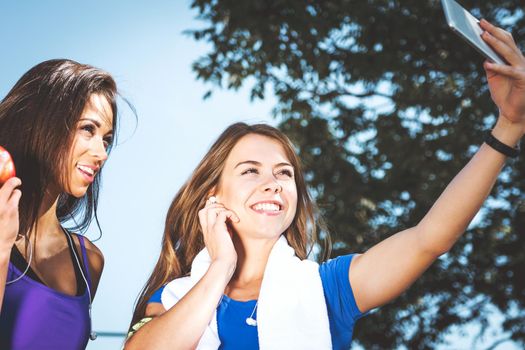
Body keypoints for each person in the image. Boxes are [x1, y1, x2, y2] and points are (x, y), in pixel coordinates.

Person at [125, 19, 524, 350]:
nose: (272, 183)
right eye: (250, 170)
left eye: (284, 173)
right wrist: (222, 266)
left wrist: (508, 127)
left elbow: (429, 239)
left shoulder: (327, 288)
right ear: (214, 196)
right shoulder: (175, 298)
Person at [0, 59, 119, 349]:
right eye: (88, 129)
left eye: (106, 139)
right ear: (41, 123)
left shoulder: (89, 261)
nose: (101, 153)